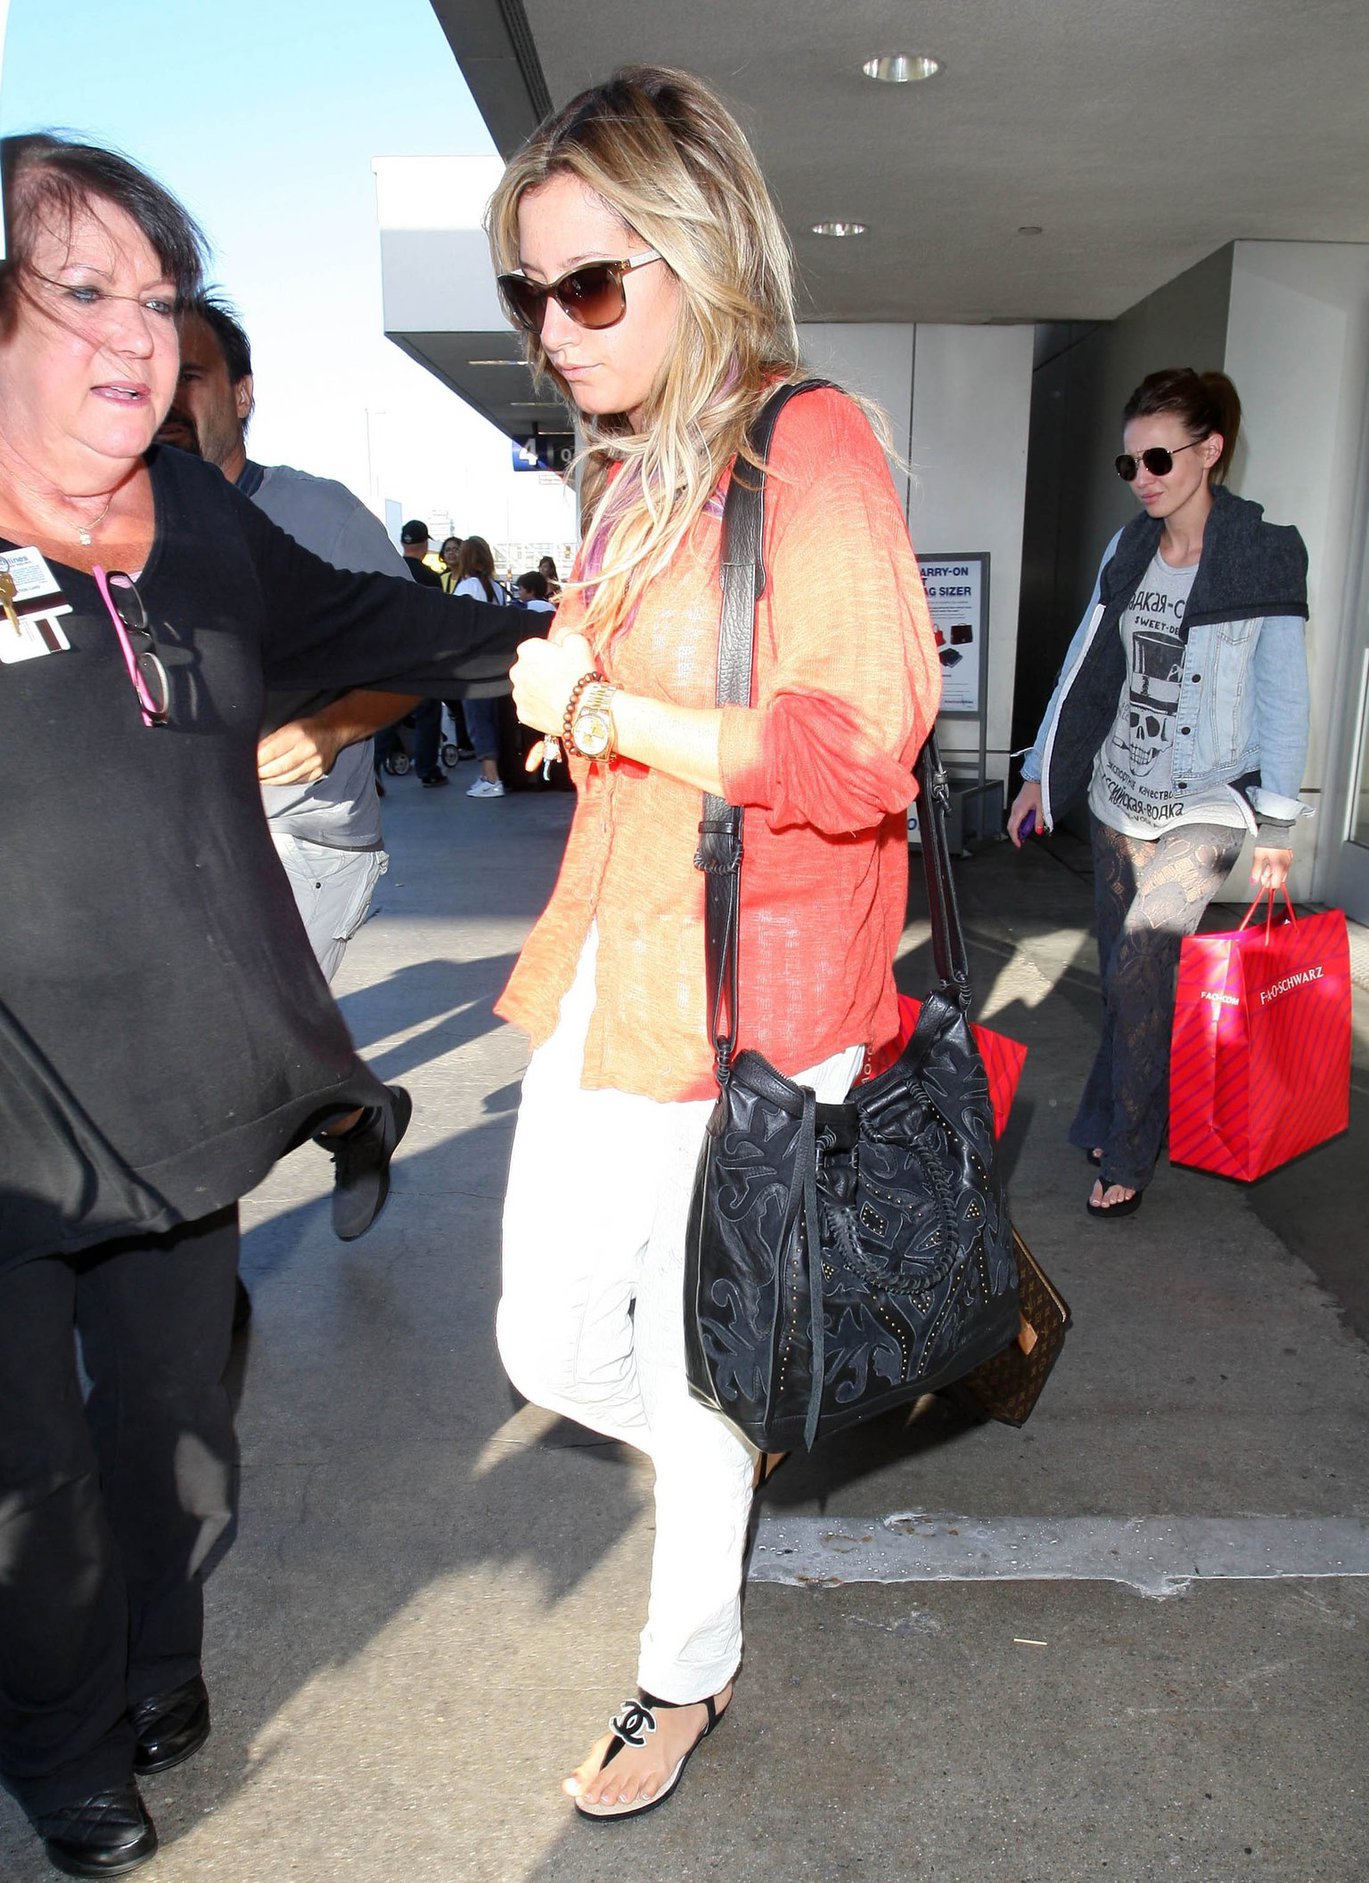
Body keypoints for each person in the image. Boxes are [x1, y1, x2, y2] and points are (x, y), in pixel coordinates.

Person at [0, 132, 521, 1878]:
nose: (137, 332)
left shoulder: (203, 521)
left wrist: (553, 640)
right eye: (86, 291)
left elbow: (381, 619)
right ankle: (62, 1743)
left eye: (158, 297)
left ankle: (156, 1666)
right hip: (8, 1116)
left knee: (176, 1428)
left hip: (191, 1077)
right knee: (32, 1471)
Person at [487, 66, 941, 1821]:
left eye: (589, 282)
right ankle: (719, 1431)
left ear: (695, 254)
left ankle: (683, 1666)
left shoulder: (803, 442)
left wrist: (611, 700)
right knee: (552, 1343)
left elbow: (855, 752)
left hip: (750, 1003)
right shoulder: (632, 474)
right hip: (611, 962)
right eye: (531, 292)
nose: (553, 325)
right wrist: (583, 707)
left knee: (685, 1360)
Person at [1008, 368, 1309, 1219]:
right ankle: (1117, 1110)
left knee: (1143, 956)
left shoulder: (1263, 552)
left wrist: (1277, 823)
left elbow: (1285, 696)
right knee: (1126, 981)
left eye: (1156, 458)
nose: (1140, 477)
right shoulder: (1128, 548)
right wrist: (1040, 769)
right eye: (1128, 463)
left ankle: (1130, 1152)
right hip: (1116, 794)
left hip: (1208, 800)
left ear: (1208, 451)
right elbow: (1084, 664)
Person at [159, 290, 419, 983]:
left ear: (241, 395)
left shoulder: (320, 514)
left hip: (300, 839)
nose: (168, 397)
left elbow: (420, 657)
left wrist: (332, 729)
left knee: (238, 1054)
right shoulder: (130, 526)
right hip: (174, 841)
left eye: (190, 374)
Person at [449, 534, 511, 799]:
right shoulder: (496, 589)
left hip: (473, 665)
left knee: (477, 720)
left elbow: (457, 626)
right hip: (497, 663)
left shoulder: (467, 586)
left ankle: (490, 777)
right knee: (491, 720)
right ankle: (493, 774)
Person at [398, 518, 448, 786]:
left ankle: (377, 764)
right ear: (426, 544)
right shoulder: (431, 578)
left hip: (390, 651)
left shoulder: (388, 571)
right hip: (423, 653)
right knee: (428, 712)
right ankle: (427, 769)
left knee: (383, 707)